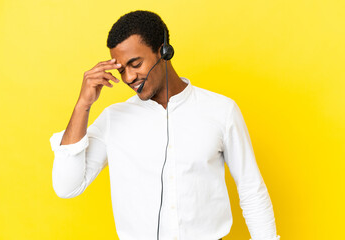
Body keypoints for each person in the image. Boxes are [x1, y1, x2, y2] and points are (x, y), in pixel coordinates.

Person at [49, 10, 281, 240]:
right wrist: (83, 105)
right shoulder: (113, 119)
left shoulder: (221, 110)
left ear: (164, 52)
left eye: (135, 64)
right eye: (121, 70)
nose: (128, 77)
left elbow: (251, 190)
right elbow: (67, 186)